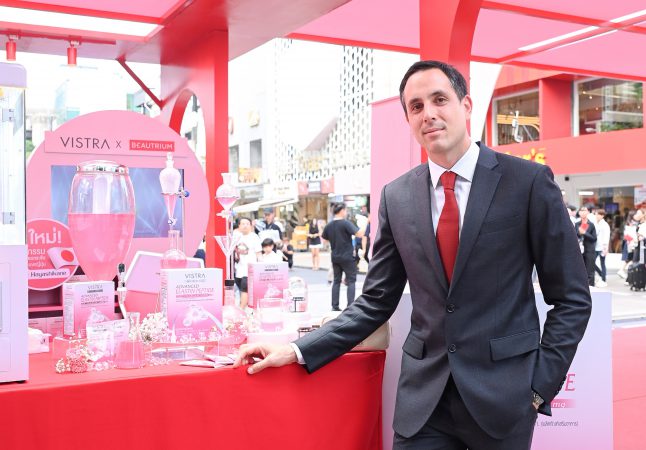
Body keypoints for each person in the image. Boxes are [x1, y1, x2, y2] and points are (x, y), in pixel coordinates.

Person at [235, 60, 592, 450]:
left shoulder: (527, 182)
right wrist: (296, 349)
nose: (429, 114)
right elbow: (375, 300)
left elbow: (572, 298)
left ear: (466, 105)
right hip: (425, 402)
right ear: (408, 118)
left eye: (440, 99)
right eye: (416, 106)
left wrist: (539, 386)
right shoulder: (397, 196)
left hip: (505, 397)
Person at [321, 203, 364, 311]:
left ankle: (335, 306)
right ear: (341, 211)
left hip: (335, 256)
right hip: (347, 257)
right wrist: (366, 223)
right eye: (345, 210)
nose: (346, 212)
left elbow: (324, 240)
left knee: (336, 281)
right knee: (351, 281)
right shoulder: (345, 223)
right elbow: (359, 234)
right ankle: (350, 307)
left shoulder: (329, 225)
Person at [233, 217, 261, 309]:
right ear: (239, 226)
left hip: (249, 270)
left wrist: (260, 268)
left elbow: (259, 254)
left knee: (244, 289)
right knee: (242, 290)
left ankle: (241, 309)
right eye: (243, 224)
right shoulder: (236, 237)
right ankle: (245, 309)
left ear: (251, 226)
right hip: (238, 269)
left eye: (247, 224)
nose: (245, 226)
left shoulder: (254, 237)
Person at [576, 206, 597, 287]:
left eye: (585, 211)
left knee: (590, 270)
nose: (583, 212)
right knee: (580, 270)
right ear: (579, 213)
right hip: (579, 250)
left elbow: (594, 238)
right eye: (581, 211)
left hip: (589, 250)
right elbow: (575, 236)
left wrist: (585, 233)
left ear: (588, 212)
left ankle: (591, 287)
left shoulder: (591, 224)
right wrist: (579, 234)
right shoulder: (577, 224)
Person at [594, 209, 610, 287]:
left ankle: (603, 279)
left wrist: (605, 247)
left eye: (598, 214)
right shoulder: (596, 223)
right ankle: (601, 274)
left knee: (602, 263)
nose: (596, 216)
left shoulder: (605, 225)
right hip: (596, 246)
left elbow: (606, 236)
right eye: (596, 214)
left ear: (602, 216)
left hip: (602, 247)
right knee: (592, 262)